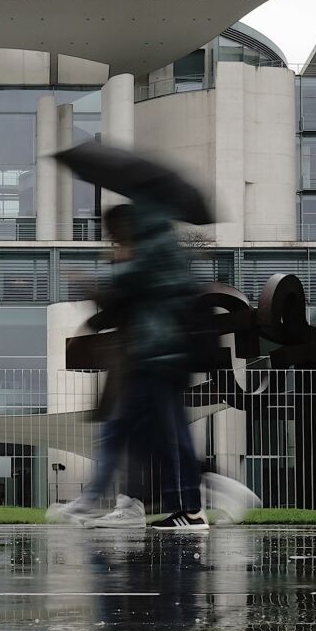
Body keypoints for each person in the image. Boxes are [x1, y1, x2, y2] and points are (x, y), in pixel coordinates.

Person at [49, 203, 208, 531]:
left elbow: (120, 293)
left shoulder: (153, 250)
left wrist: (92, 278)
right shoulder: (155, 250)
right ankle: (161, 505)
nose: (112, 242)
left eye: (114, 235)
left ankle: (187, 508)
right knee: (137, 434)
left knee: (163, 435)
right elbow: (123, 304)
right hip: (149, 358)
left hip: (158, 357)